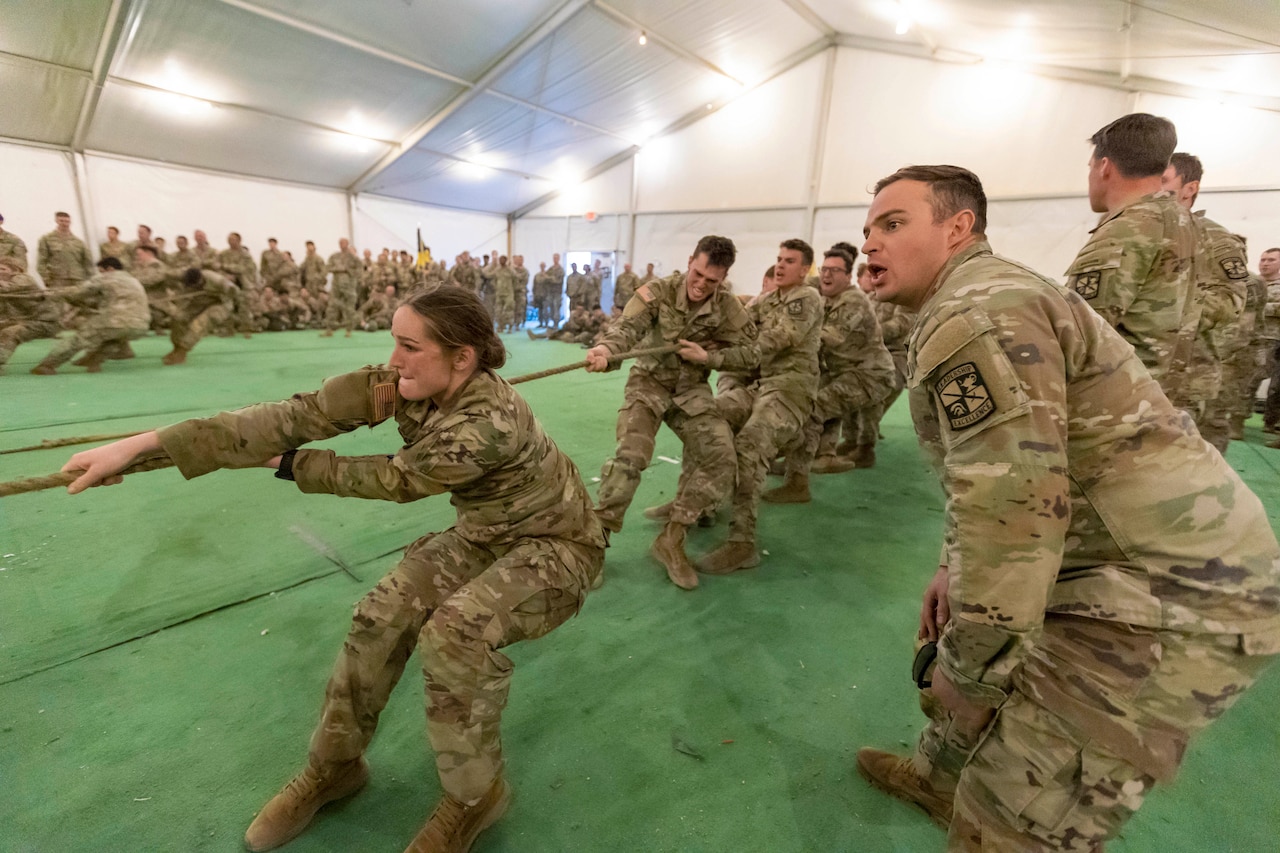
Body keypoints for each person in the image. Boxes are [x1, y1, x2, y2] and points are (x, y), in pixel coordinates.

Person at [61, 285, 606, 853]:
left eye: (409, 346)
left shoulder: (486, 426)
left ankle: (476, 798)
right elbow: (299, 415)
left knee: (457, 634)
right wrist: (140, 446)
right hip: (485, 534)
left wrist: (289, 464)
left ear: (461, 358)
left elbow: (395, 479)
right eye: (394, 342)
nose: (394, 360)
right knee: (380, 613)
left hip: (556, 548)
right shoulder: (406, 383)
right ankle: (336, 767)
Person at [852, 164, 1280, 850]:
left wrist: (966, 671)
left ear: (958, 227)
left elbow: (1016, 517)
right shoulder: (978, 297)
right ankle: (938, 775)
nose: (871, 242)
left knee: (1009, 820)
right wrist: (949, 566)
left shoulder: (974, 314)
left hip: (1173, 595)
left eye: (893, 223)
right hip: (1126, 559)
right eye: (869, 228)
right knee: (989, 648)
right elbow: (991, 476)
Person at [585, 235, 756, 590]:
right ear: (691, 260)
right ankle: (592, 546)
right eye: (698, 275)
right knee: (631, 457)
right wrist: (604, 349)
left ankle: (672, 538)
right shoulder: (658, 291)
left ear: (723, 279)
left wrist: (710, 358)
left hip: (691, 390)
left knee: (722, 459)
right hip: (648, 383)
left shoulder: (726, 306)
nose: (701, 285)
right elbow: (625, 328)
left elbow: (753, 352)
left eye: (712, 281)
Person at [696, 239, 821, 576]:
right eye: (778, 259)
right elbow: (738, 326)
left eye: (789, 261)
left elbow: (769, 342)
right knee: (705, 416)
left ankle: (742, 544)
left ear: (805, 268)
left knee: (750, 445)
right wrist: (704, 337)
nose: (780, 266)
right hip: (762, 386)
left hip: (791, 391)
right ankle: (697, 502)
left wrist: (711, 357)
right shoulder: (769, 298)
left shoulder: (806, 298)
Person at [1064, 113, 1196, 396]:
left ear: (1104, 167)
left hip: (1116, 405)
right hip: (1160, 396)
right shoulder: (1181, 220)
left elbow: (1076, 336)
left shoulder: (1125, 231)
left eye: (1090, 166)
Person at [764, 246, 895, 501]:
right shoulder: (823, 293)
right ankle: (818, 457)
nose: (827, 275)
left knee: (813, 409)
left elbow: (831, 338)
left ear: (848, 277)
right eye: (825, 269)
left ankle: (797, 483)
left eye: (835, 271)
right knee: (816, 398)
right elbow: (798, 282)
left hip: (869, 376)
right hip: (841, 372)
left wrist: (790, 335)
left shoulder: (854, 300)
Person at [1159, 152, 1247, 452]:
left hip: (1185, 379)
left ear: (1190, 188)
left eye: (1164, 181)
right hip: (1134, 372)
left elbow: (1230, 302)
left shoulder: (1215, 239)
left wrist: (1159, 304)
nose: (1154, 190)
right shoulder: (1137, 232)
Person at [30, 256, 148, 374]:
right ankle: (93, 361)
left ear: (110, 269)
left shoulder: (107, 276)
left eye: (101, 271)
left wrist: (56, 293)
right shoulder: (133, 280)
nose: (100, 274)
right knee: (114, 339)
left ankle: (47, 365)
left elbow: (79, 291)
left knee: (79, 339)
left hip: (115, 319)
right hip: (141, 325)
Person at [0, 256, 61, 373]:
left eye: (3, 269)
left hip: (44, 322)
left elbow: (10, 288)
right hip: (24, 319)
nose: (0, 272)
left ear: (15, 270)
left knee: (11, 333)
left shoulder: (23, 279)